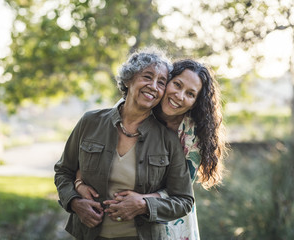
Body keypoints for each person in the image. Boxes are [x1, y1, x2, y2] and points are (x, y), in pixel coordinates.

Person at [75, 59, 227, 240]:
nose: (179, 96)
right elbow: (93, 154)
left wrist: (142, 202)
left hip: (168, 220)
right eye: (177, 85)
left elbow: (180, 192)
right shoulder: (137, 105)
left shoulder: (193, 137)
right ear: (166, 81)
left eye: (190, 94)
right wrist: (79, 183)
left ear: (196, 102)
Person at [54, 48, 194, 240]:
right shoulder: (90, 122)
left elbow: (184, 201)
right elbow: (63, 172)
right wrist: (75, 202)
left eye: (161, 82)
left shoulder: (167, 139)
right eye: (147, 76)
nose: (153, 86)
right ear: (128, 80)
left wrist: (144, 205)